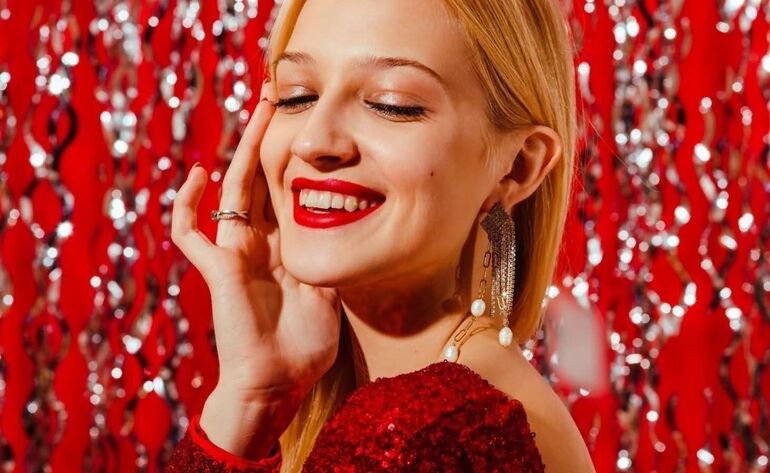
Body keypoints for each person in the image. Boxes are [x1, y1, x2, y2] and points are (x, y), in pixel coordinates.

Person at [166, 0, 595, 471]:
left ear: (518, 166)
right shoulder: (492, 400)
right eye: (295, 97)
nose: (313, 140)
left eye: (392, 104)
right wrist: (253, 395)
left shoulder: (422, 435)